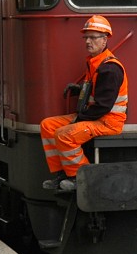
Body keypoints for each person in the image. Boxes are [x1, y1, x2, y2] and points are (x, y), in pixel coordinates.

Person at [40, 15, 128, 192]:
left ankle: (79, 178)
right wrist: (78, 90)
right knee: (48, 125)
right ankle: (62, 175)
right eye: (86, 37)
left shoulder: (109, 68)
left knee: (65, 134)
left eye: (93, 37)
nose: (88, 41)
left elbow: (103, 105)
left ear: (104, 40)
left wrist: (78, 119)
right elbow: (95, 91)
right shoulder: (95, 63)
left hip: (107, 122)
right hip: (95, 117)